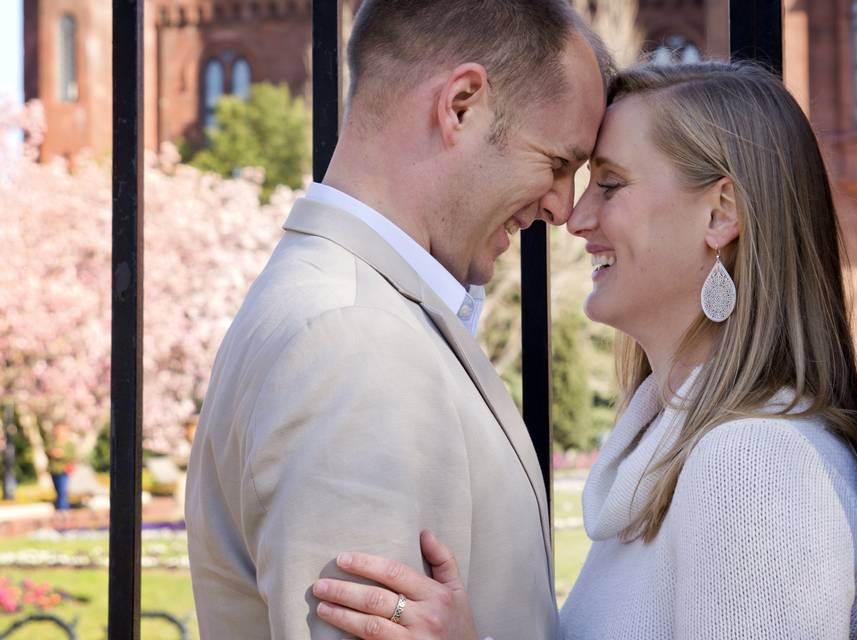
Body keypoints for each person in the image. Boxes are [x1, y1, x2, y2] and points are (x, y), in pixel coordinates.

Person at [308, 61, 857, 639]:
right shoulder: (675, 452)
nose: (574, 218)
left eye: (610, 183)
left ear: (721, 212)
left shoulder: (756, 466)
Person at [185, 1, 611, 638]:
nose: (562, 207)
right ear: (462, 103)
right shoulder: (354, 342)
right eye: (557, 163)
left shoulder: (343, 305)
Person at [46, 422, 76, 511]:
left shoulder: (70, 444)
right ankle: (60, 506)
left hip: (64, 470)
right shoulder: (53, 443)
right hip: (54, 470)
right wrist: (52, 453)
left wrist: (61, 455)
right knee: (58, 491)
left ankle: (63, 509)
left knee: (63, 491)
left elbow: (73, 456)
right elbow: (47, 451)